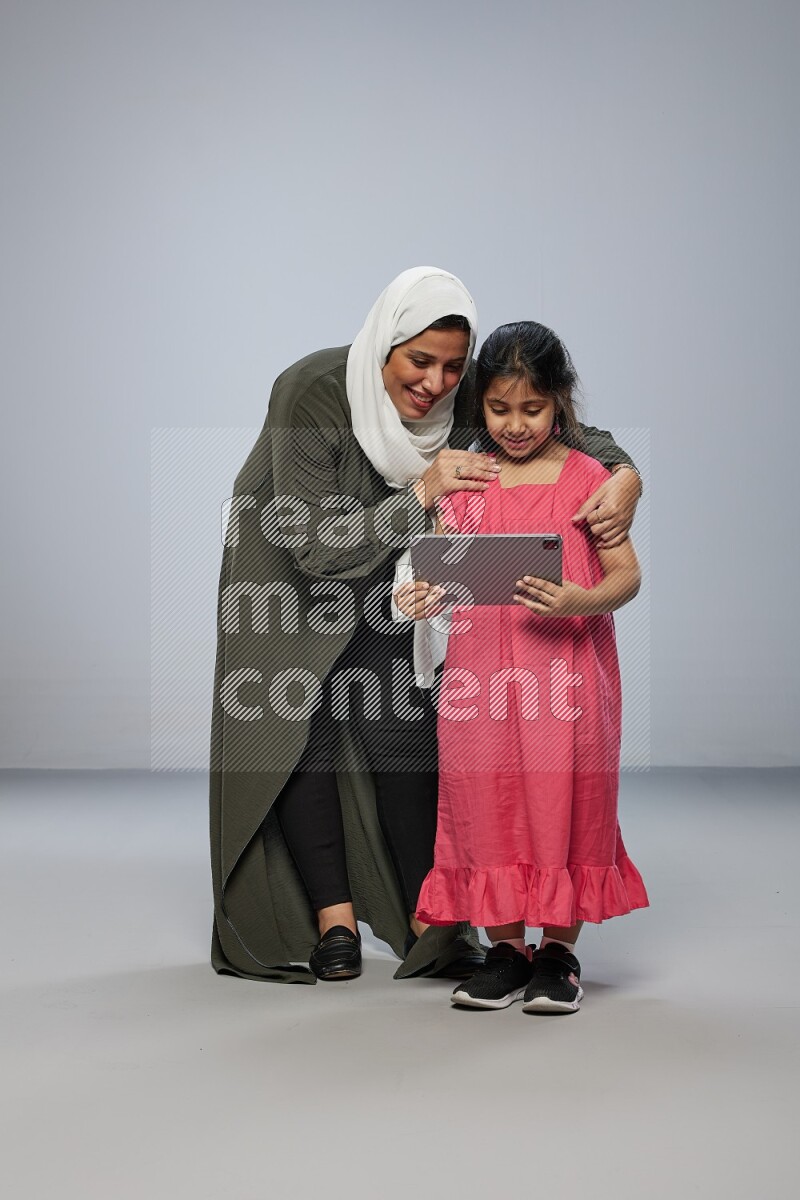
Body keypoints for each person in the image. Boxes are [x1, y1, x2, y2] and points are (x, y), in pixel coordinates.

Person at [209, 273, 643, 985]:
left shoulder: (469, 387)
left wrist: (625, 477)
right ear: (385, 343)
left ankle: (431, 917)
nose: (437, 383)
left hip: (402, 553)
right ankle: (333, 919)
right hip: (290, 554)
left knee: (402, 721)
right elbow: (318, 545)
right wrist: (424, 491)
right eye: (419, 362)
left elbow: (568, 430)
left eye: (452, 367)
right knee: (299, 723)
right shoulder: (312, 390)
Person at [395, 321, 649, 1013]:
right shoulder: (468, 480)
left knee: (567, 802)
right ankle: (507, 949)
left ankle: (559, 953)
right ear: (479, 403)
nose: (514, 425)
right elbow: (438, 571)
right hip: (480, 681)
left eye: (531, 409)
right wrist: (419, 595)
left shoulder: (590, 479)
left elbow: (627, 576)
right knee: (485, 804)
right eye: (499, 409)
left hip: (566, 676)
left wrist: (580, 598)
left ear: (560, 401)